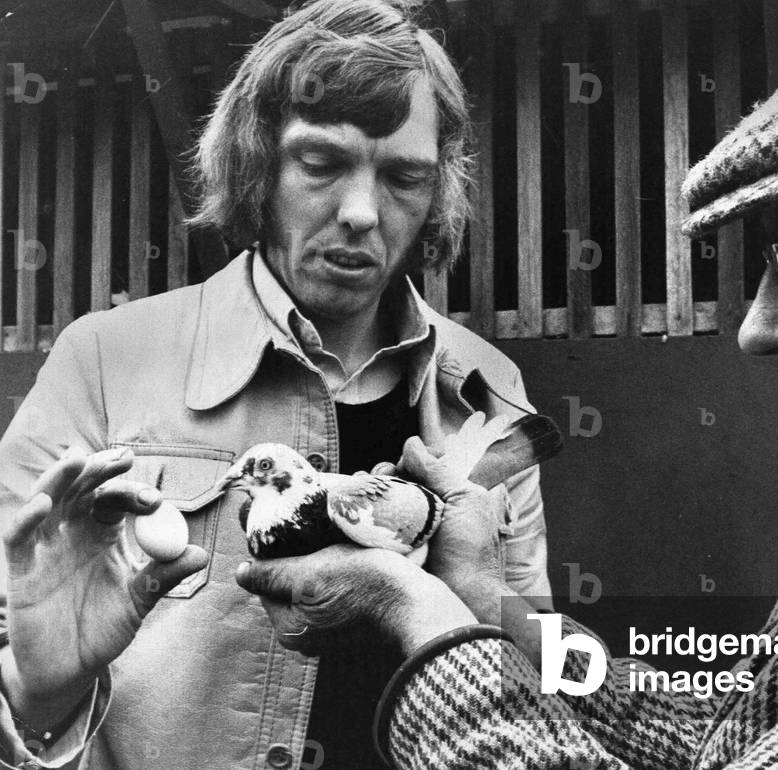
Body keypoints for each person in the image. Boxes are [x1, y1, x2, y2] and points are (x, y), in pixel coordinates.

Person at [243, 1, 778, 767]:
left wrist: (417, 613)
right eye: (768, 267)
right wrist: (486, 603)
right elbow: (715, 739)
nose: (759, 329)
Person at [0, 2, 553, 768]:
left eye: (403, 176)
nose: (361, 213)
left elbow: (548, 679)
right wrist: (38, 689)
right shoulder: (103, 359)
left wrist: (492, 618)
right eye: (321, 163)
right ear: (258, 164)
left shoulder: (488, 388)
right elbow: (20, 664)